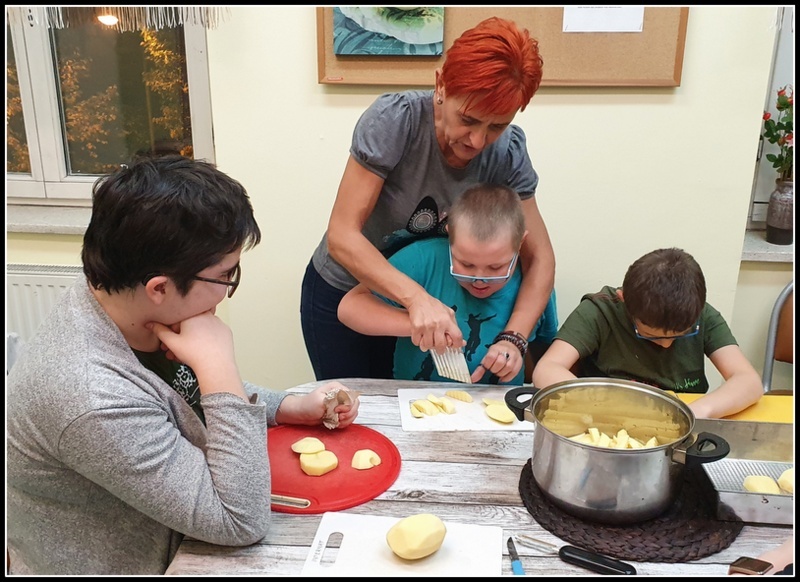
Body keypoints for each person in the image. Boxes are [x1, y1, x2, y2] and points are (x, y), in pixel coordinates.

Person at [6, 155, 360, 575]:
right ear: (159, 288)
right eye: (225, 275)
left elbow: (181, 395)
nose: (228, 289)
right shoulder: (91, 398)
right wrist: (218, 367)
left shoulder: (121, 302)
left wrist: (288, 406)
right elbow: (239, 521)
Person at [301, 16, 555, 382]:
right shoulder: (396, 121)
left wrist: (514, 337)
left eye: (497, 126)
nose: (478, 141)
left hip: (429, 304)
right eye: (468, 119)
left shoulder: (508, 153)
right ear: (441, 85)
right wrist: (416, 299)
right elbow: (342, 235)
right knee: (351, 406)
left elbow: (540, 258)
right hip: (348, 291)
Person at [338, 183, 558, 385]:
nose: (479, 278)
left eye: (495, 267)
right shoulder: (423, 260)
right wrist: (416, 324)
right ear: (450, 236)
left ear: (520, 243)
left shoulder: (534, 286)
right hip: (413, 402)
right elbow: (350, 307)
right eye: (466, 264)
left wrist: (514, 348)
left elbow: (544, 357)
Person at [532, 247, 763, 419]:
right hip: (606, 419)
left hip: (679, 418)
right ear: (624, 300)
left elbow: (748, 381)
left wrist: (698, 411)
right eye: (650, 335)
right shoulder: (600, 311)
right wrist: (604, 407)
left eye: (680, 335)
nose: (666, 344)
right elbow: (547, 369)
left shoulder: (702, 316)